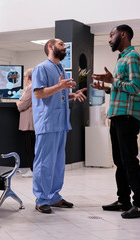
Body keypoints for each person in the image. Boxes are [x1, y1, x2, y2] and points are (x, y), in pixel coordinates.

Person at [92, 24, 140, 219]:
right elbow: (124, 90)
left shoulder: (132, 57)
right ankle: (123, 201)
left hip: (128, 117)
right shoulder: (122, 58)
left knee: (129, 161)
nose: (109, 39)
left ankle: (139, 205)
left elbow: (136, 87)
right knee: (119, 161)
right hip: (117, 116)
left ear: (122, 35)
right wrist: (107, 88)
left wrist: (113, 81)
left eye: (111, 34)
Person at [32, 38, 87, 214]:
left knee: (57, 164)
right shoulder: (41, 68)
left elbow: (58, 95)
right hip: (47, 122)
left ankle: (54, 197)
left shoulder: (61, 68)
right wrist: (58, 86)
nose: (65, 48)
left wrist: (71, 95)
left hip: (61, 122)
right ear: (50, 46)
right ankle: (41, 199)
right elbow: (39, 94)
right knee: (44, 163)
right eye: (62, 45)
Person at [16, 68, 35, 178]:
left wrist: (18, 103)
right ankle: (33, 169)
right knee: (31, 146)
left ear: (27, 78)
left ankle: (32, 169)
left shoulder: (30, 88)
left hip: (29, 122)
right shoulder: (28, 88)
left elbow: (22, 105)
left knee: (30, 147)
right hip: (30, 122)